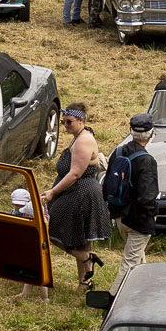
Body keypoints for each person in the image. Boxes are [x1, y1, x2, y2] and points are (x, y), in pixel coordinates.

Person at [42, 104, 110, 290]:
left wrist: (53, 192)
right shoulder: (78, 137)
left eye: (69, 122)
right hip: (74, 192)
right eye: (64, 122)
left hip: (82, 193)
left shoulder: (84, 141)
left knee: (50, 230)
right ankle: (85, 283)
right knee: (79, 239)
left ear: (81, 120)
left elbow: (75, 174)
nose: (65, 125)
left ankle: (85, 258)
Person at [106, 113, 159, 296]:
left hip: (120, 216)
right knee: (129, 263)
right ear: (151, 133)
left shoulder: (118, 152)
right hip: (138, 221)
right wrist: (153, 214)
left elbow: (107, 185)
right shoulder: (147, 161)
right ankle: (113, 299)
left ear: (131, 131)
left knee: (137, 257)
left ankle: (143, 293)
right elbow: (147, 197)